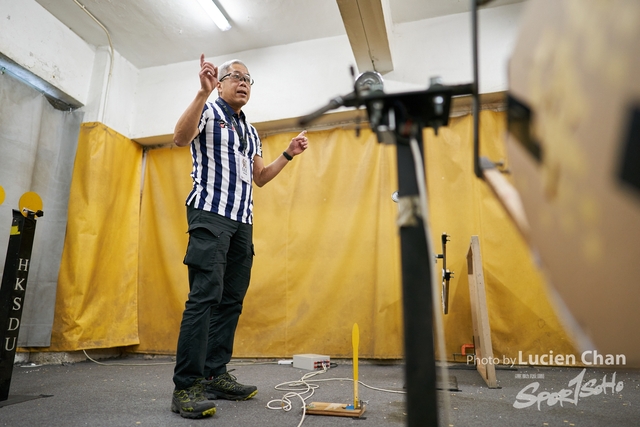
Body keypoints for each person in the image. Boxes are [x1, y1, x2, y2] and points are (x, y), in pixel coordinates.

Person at [170, 54, 309, 419]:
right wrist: (201, 94)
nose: (244, 82)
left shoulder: (250, 130)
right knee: (204, 297)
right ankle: (186, 386)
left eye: (249, 79)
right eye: (236, 76)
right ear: (220, 83)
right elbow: (179, 138)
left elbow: (260, 178)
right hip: (209, 214)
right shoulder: (208, 110)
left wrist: (288, 154)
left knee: (231, 300)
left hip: (241, 222)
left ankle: (216, 374)